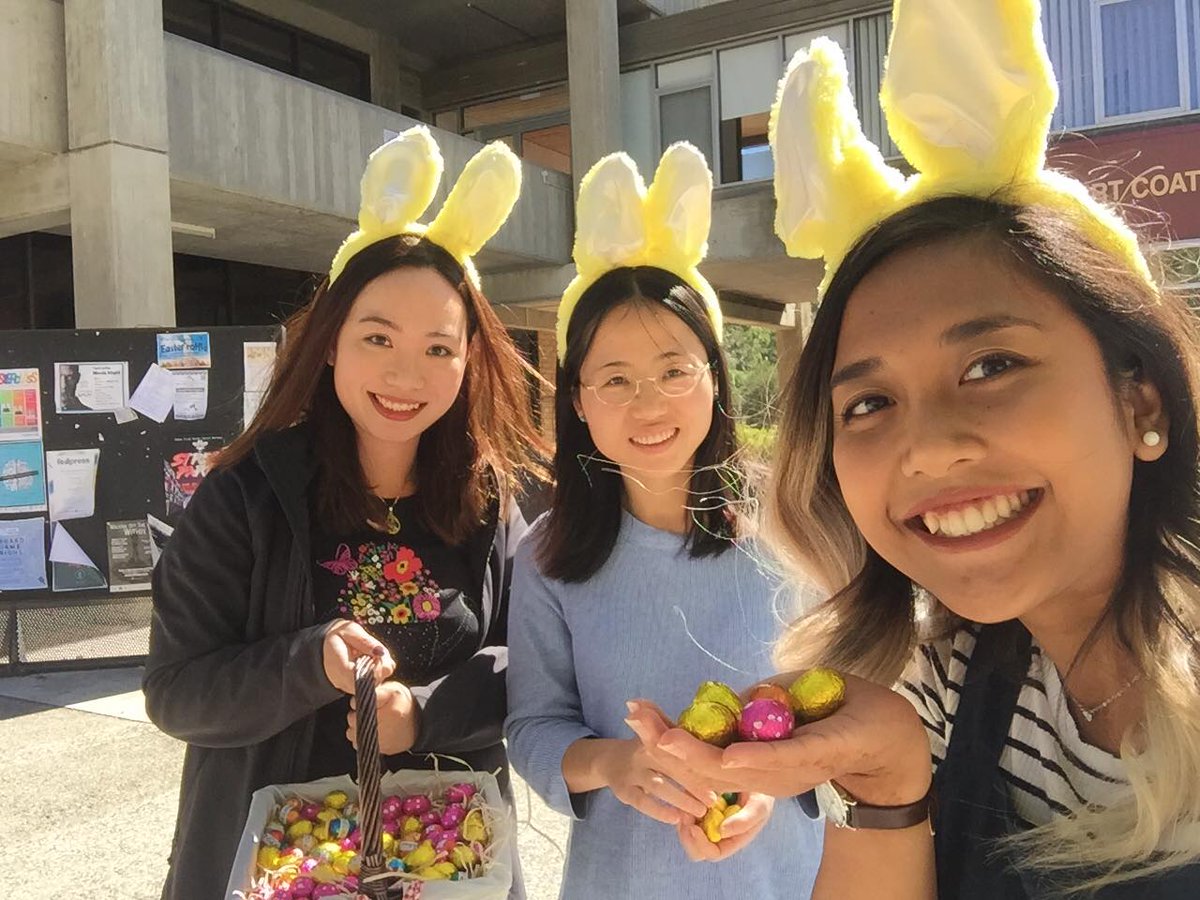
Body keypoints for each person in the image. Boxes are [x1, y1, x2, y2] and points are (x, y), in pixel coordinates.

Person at [626, 1, 1200, 896]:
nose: (926, 451)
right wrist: (888, 782)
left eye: (991, 364)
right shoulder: (952, 681)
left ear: (1141, 399)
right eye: (869, 403)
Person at [143, 127, 547, 899]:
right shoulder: (246, 494)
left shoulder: (491, 501)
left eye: (439, 348)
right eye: (377, 337)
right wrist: (310, 661)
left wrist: (420, 716)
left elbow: (534, 668)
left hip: (450, 864)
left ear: (469, 362)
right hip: (274, 864)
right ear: (330, 345)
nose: (406, 372)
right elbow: (176, 692)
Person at [505, 144, 825, 899]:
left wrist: (771, 780)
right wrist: (614, 765)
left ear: (713, 379)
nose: (649, 405)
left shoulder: (793, 528)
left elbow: (840, 697)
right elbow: (533, 727)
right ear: (578, 403)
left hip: (782, 879)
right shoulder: (547, 557)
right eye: (615, 379)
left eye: (675, 371)